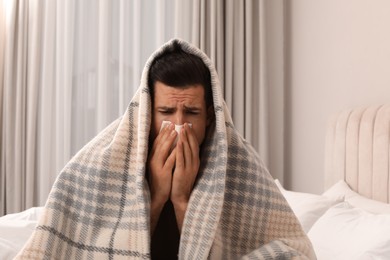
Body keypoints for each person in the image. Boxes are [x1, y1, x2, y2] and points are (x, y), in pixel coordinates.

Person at [16, 39, 315, 259]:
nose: (179, 125)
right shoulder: (103, 159)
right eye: (166, 111)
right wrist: (156, 196)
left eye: (192, 113)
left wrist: (184, 202)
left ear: (210, 117)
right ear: (147, 114)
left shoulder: (240, 165)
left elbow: (294, 249)